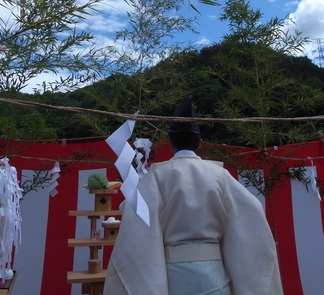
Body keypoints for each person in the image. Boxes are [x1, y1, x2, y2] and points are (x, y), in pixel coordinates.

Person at [103, 97, 283, 295]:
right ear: (200, 142)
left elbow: (137, 220)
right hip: (216, 276)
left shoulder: (157, 176)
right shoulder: (220, 176)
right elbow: (251, 211)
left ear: (170, 143)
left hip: (174, 278)